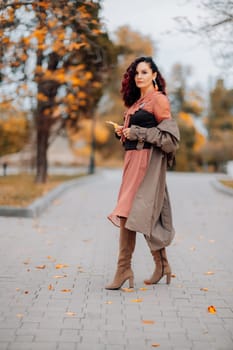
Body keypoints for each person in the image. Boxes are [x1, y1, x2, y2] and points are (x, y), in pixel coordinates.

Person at [105, 56, 180, 290]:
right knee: (143, 212)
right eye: (136, 72)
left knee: (129, 212)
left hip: (147, 164)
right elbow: (135, 134)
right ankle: (162, 266)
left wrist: (137, 132)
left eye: (145, 72)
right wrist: (123, 133)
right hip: (132, 161)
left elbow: (171, 140)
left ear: (154, 75)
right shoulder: (135, 103)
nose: (139, 76)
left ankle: (123, 268)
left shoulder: (158, 101)